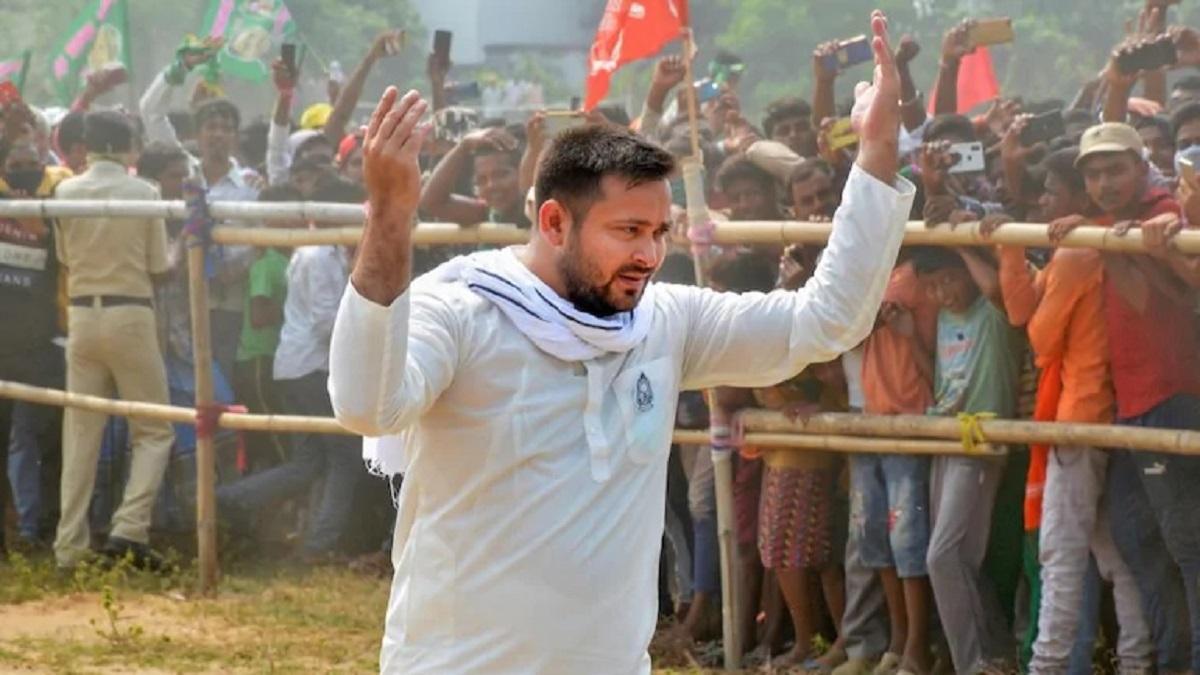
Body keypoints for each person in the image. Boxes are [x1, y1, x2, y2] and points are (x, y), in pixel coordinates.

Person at [329, 12, 913, 673]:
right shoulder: (464, 308)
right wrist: (390, 218)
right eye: (628, 231)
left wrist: (877, 151)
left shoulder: (663, 320)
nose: (650, 255)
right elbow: (366, 405)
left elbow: (827, 319)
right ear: (555, 222)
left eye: (659, 233)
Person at [987, 147, 1154, 675]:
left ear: (1077, 198)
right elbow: (1020, 308)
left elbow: (1039, 339)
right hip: (1101, 416)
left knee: (1061, 554)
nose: (1042, 202)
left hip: (1080, 416)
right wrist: (1011, 246)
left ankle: (1049, 667)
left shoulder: (1079, 251)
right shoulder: (1080, 245)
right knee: (1115, 555)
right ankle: (1135, 661)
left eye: (1050, 192)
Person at [1052, 121, 1200, 672]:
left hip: (1169, 396)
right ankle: (1169, 661)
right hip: (1133, 406)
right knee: (1137, 536)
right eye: (1093, 174)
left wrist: (1147, 239)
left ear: (1141, 168)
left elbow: (1180, 265)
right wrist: (1092, 230)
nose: (1104, 183)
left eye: (1115, 170)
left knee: (1187, 544)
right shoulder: (1110, 223)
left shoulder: (1165, 212)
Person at [218, 177, 365, 562]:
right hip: (310, 369)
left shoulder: (324, 253)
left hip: (300, 367)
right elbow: (325, 323)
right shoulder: (319, 256)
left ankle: (229, 499)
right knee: (344, 458)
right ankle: (319, 546)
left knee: (308, 463)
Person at [52, 111, 175, 570]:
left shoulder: (65, 192)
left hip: (82, 313)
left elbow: (65, 258)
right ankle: (129, 528)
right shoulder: (144, 193)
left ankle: (69, 546)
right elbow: (159, 267)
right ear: (129, 147)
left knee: (80, 434)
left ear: (86, 145)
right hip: (131, 313)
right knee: (154, 429)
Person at [915, 246, 1023, 675]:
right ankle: (992, 654)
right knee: (957, 558)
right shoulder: (944, 317)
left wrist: (960, 246)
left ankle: (977, 663)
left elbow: (994, 286)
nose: (943, 293)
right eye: (932, 286)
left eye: (949, 279)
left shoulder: (993, 314)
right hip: (945, 439)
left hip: (979, 444)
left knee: (944, 556)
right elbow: (944, 380)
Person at [140, 49, 261, 379]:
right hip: (180, 300)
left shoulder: (251, 186)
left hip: (227, 302)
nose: (218, 133)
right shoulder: (184, 172)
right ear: (197, 134)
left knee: (219, 383)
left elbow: (259, 242)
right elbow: (151, 112)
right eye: (211, 126)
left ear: (235, 137)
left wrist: (230, 268)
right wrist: (178, 68)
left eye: (226, 128)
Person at [852, 252, 939, 675]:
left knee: (907, 539)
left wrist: (894, 326)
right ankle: (899, 639)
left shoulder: (918, 276)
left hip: (909, 418)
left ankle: (917, 646)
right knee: (874, 535)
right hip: (872, 416)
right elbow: (848, 337)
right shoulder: (871, 269)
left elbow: (934, 358)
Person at [0, 139, 67, 552]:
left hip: (41, 343)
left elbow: (67, 259)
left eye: (31, 163)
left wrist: (40, 229)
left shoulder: (56, 206)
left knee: (50, 439)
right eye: (15, 163)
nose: (23, 170)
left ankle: (45, 528)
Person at [232, 184, 298, 472]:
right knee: (276, 439)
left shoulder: (287, 259)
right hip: (258, 359)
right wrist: (298, 304)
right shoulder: (268, 264)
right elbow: (258, 315)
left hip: (273, 358)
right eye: (288, 214)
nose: (295, 221)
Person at [418, 123, 530, 227]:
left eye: (500, 175)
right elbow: (431, 203)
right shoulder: (485, 214)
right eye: (482, 180)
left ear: (522, 172)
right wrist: (463, 146)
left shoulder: (536, 210)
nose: (491, 185)